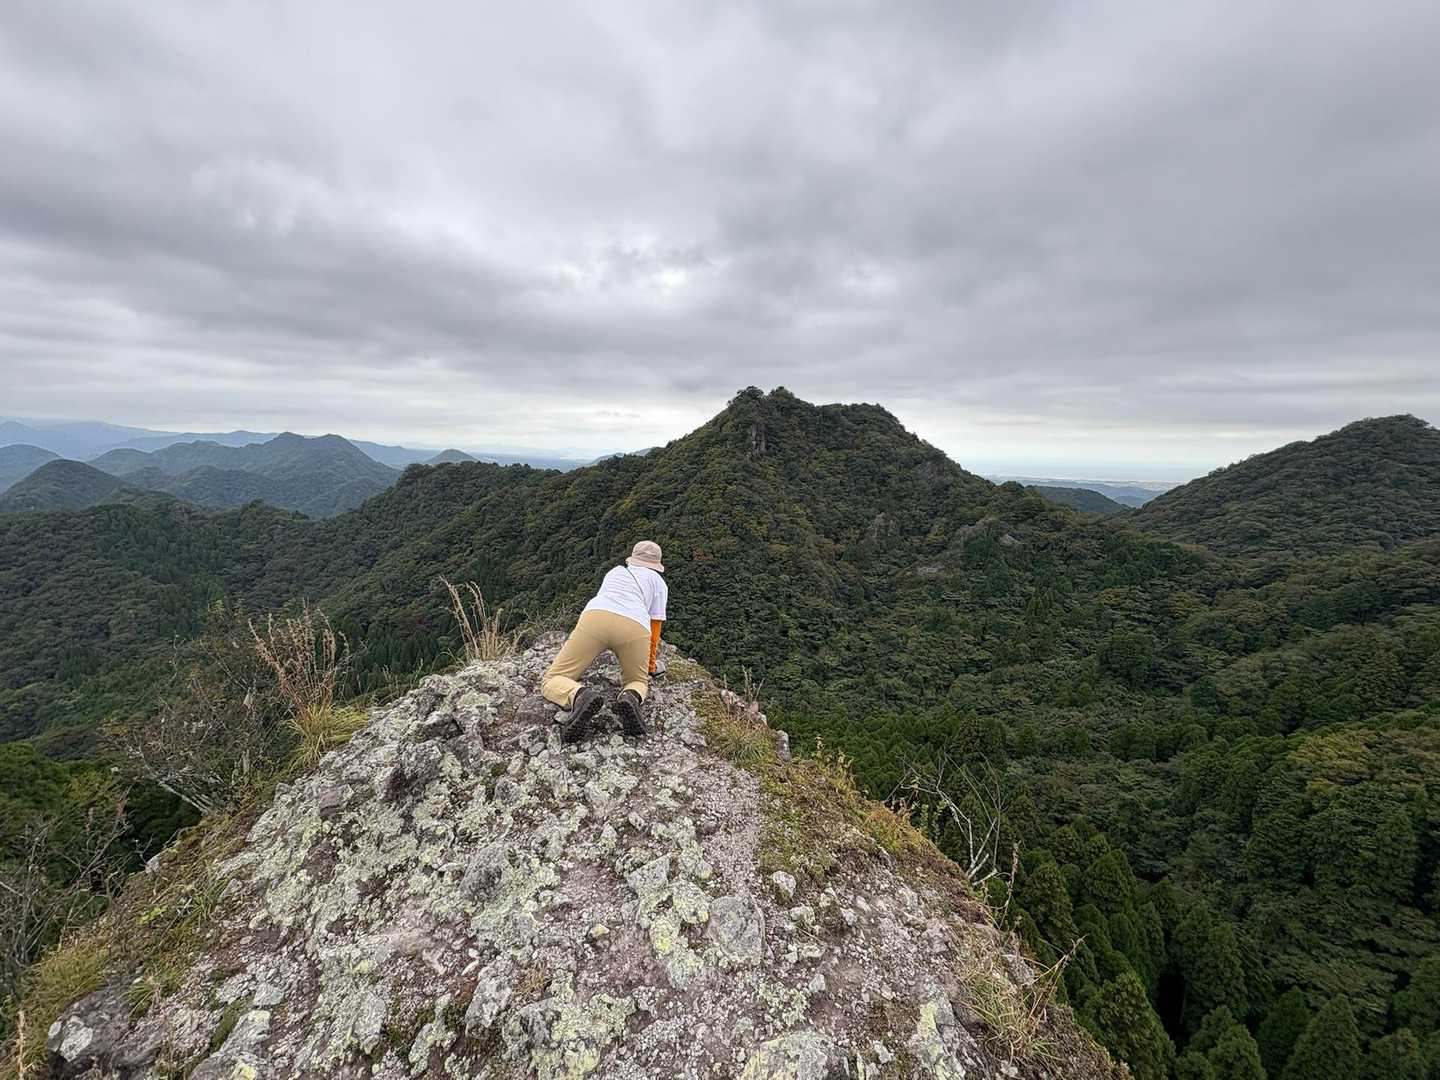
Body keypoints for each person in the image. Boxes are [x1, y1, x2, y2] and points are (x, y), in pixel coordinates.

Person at [541, 540, 668, 741]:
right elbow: (654, 628)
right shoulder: (659, 584)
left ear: (633, 559)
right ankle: (629, 696)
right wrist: (650, 667)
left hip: (596, 618)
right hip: (635, 628)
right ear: (656, 564)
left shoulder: (615, 572)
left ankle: (579, 695)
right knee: (637, 681)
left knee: (553, 679)